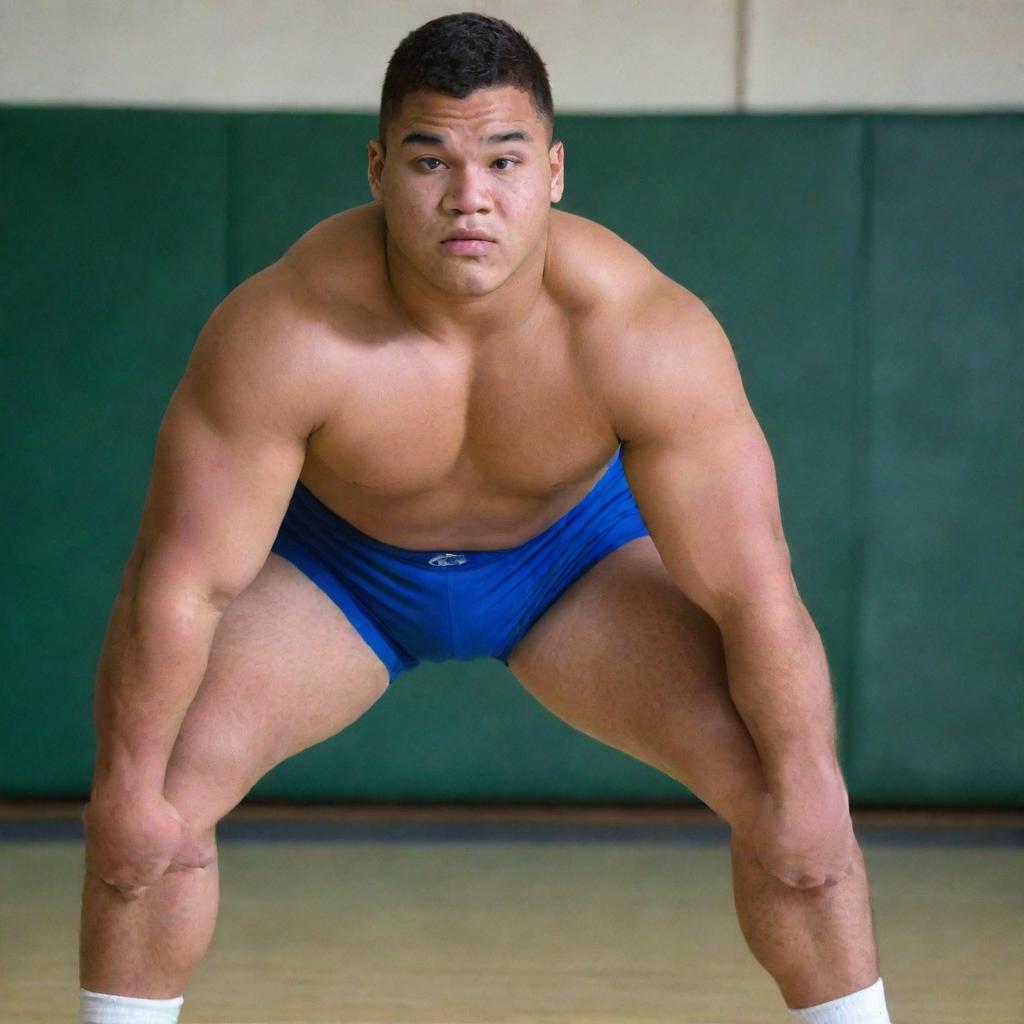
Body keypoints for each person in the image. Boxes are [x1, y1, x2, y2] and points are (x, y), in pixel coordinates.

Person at [78, 12, 893, 1024]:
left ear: (552, 171)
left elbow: (751, 587)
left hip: (566, 565)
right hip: (344, 573)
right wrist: (120, 786)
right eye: (431, 160)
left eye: (503, 160)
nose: (470, 198)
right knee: (156, 802)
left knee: (791, 797)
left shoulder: (642, 332)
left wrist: (815, 781)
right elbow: (179, 582)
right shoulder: (283, 330)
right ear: (376, 168)